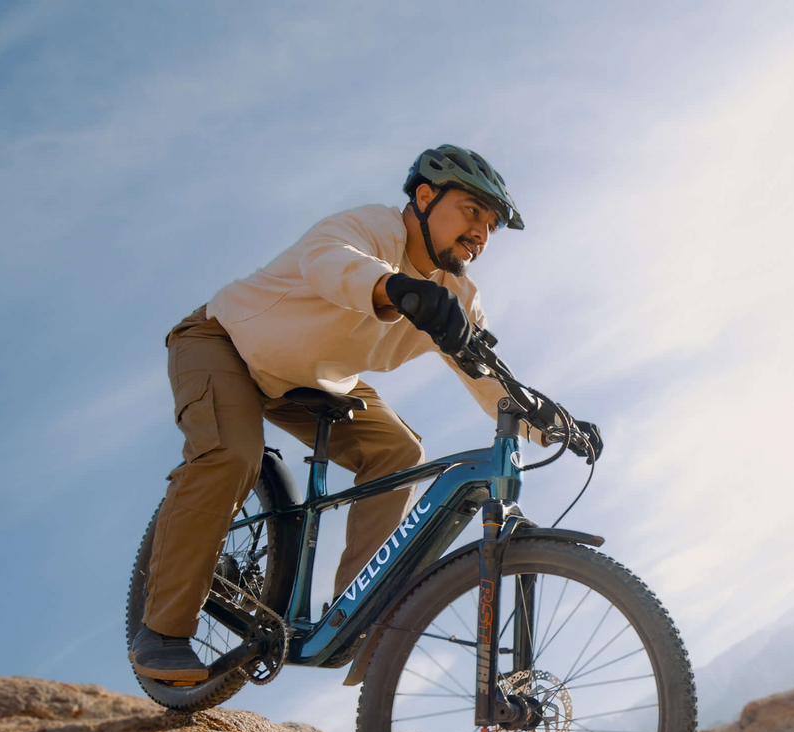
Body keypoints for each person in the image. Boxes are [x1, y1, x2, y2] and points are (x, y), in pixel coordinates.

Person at [130, 145, 586, 683]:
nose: (481, 233)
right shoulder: (370, 228)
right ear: (424, 196)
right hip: (224, 341)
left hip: (313, 381)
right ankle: (161, 631)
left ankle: (354, 615)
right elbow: (330, 263)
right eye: (471, 211)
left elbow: (487, 375)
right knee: (231, 456)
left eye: (490, 225)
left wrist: (551, 425)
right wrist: (396, 288)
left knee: (399, 453)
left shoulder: (457, 295)